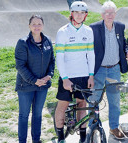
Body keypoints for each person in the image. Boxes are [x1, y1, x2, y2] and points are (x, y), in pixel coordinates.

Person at [89, 1, 128, 140]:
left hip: (114, 70)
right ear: (102, 15)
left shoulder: (119, 26)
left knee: (115, 101)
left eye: (112, 12)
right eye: (107, 13)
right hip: (98, 70)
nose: (109, 15)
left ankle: (113, 127)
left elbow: (123, 43)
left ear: (115, 14)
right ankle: (93, 126)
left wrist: (126, 52)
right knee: (94, 100)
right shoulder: (94, 28)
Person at [54, 1, 95, 143]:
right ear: (71, 14)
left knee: (82, 104)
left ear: (86, 15)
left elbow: (91, 54)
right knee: (62, 105)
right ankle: (60, 137)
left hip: (83, 75)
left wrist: (91, 76)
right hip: (68, 76)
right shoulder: (63, 31)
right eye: (76, 12)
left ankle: (83, 137)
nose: (79, 15)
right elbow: (59, 57)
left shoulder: (88, 31)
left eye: (82, 13)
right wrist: (65, 79)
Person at [15, 15, 55, 143]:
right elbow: (20, 66)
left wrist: (49, 75)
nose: (37, 26)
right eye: (34, 24)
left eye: (39, 24)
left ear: (43, 25)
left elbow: (52, 61)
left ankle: (36, 140)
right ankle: (22, 141)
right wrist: (34, 81)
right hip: (25, 86)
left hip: (42, 85)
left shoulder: (47, 40)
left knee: (37, 114)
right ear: (29, 26)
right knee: (24, 115)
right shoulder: (23, 42)